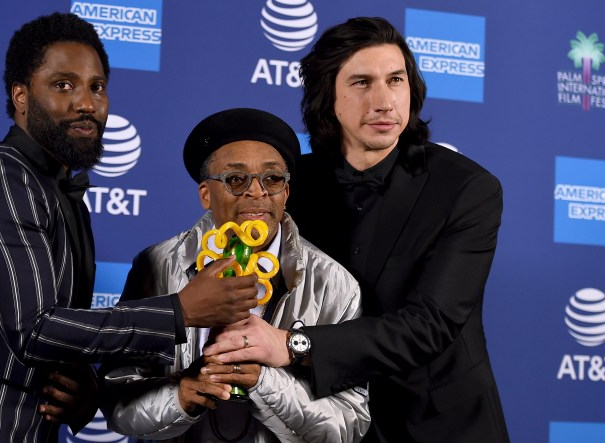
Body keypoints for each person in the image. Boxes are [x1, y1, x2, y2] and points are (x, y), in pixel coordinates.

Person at [0, 13, 257, 443]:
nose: (86, 103)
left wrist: (85, 388)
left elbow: (55, 333)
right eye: (64, 85)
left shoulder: (63, 196)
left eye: (96, 87)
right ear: (20, 95)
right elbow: (34, 329)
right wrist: (181, 311)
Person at [204, 17, 511, 442]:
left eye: (396, 80)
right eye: (363, 83)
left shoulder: (467, 189)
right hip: (320, 416)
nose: (384, 101)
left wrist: (292, 344)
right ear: (328, 95)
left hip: (437, 423)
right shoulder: (287, 186)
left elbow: (430, 325)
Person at [99, 108, 370, 442]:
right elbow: (116, 399)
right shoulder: (155, 265)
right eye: (236, 179)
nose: (256, 192)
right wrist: (181, 396)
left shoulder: (334, 283)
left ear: (286, 193)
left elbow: (349, 424)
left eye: (272, 179)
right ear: (205, 194)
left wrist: (263, 382)